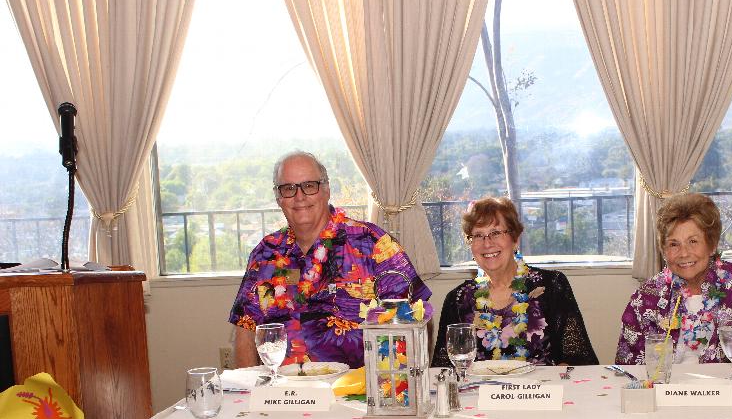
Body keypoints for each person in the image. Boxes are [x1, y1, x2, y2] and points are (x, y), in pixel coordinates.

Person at [230, 150, 430, 368]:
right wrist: (248, 387)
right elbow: (245, 330)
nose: (299, 197)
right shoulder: (265, 254)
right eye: (288, 188)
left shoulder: (373, 244)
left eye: (309, 186)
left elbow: (418, 317)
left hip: (359, 386)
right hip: (284, 387)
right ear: (278, 198)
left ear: (326, 190)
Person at [431, 197, 598, 367]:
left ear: (515, 239)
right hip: (479, 386)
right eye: (478, 235)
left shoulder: (551, 285)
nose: (487, 243)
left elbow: (581, 360)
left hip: (542, 384)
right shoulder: (458, 300)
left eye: (496, 233)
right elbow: (443, 370)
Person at [616, 193, 732, 365]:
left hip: (728, 382)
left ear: (712, 245)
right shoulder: (646, 297)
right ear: (663, 251)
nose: (684, 253)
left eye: (693, 241)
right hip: (665, 383)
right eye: (674, 244)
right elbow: (629, 366)